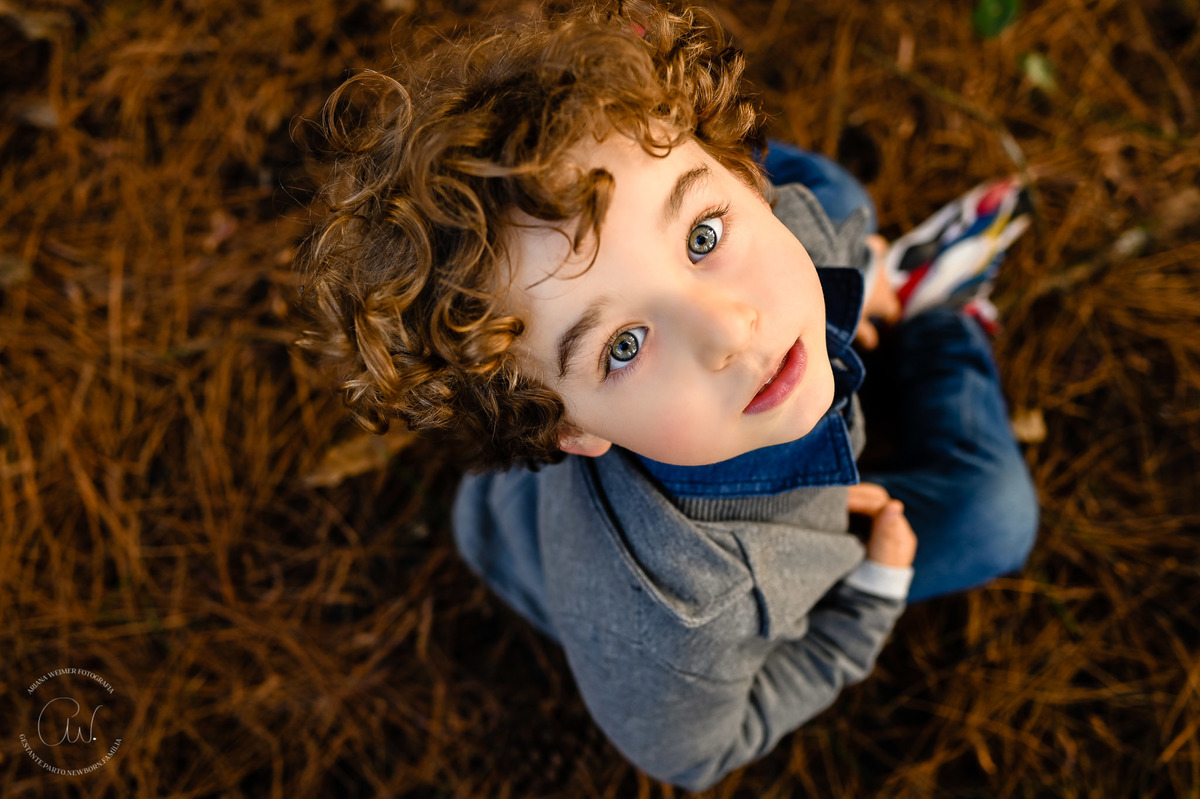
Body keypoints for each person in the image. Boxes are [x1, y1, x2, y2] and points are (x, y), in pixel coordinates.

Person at [296, 1, 1038, 790]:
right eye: (624, 344)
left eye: (702, 237)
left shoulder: (766, 225)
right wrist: (869, 598)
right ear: (570, 428)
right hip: (650, 559)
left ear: (742, 178)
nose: (729, 328)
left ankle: (881, 279)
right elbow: (699, 753)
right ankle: (946, 325)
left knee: (833, 200)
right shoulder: (676, 622)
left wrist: (857, 264)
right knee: (993, 518)